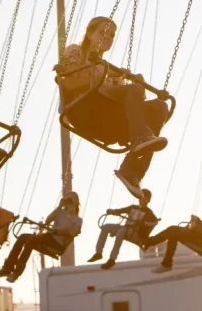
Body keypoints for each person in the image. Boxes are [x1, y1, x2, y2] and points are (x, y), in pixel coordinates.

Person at [57, 16, 170, 199]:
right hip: (83, 109)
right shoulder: (77, 51)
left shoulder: (110, 70)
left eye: (111, 35)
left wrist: (139, 88)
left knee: (160, 107)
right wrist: (107, 80)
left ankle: (132, 171)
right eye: (102, 32)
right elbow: (69, 83)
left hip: (108, 118)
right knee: (133, 90)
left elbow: (131, 103)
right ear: (90, 33)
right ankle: (140, 138)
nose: (108, 37)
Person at [0, 192, 83, 282]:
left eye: (70, 199)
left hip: (57, 243)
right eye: (67, 199)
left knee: (30, 242)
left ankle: (16, 273)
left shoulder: (77, 220)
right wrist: (59, 207)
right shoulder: (60, 213)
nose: (68, 201)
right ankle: (7, 268)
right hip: (48, 237)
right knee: (23, 237)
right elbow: (48, 221)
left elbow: (73, 232)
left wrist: (67, 218)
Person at [145, 194, 202, 274]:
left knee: (172, 229)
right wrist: (198, 221)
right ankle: (166, 263)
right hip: (200, 239)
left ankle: (149, 243)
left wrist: (196, 226)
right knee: (173, 235)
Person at [88, 189, 159, 270]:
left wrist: (144, 223)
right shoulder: (133, 207)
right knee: (106, 227)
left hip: (135, 234)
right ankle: (98, 253)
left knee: (120, 232)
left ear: (148, 200)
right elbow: (121, 210)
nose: (142, 200)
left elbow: (155, 222)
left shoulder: (149, 213)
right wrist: (112, 211)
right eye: (141, 197)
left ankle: (112, 259)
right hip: (126, 229)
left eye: (145, 198)